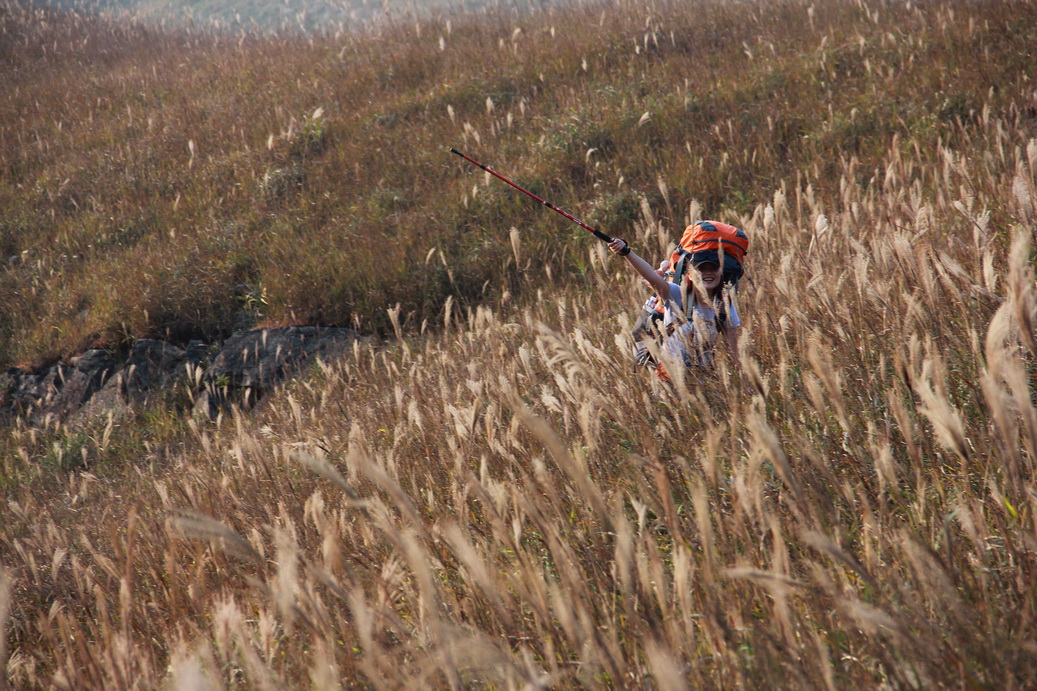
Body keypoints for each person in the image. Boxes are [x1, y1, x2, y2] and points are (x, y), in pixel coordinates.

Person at [608, 237, 741, 379]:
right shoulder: (676, 294)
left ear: (721, 273)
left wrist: (744, 383)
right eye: (701, 269)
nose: (707, 273)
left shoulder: (724, 305)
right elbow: (649, 275)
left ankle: (664, 269)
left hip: (702, 380)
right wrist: (627, 252)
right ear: (690, 274)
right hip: (667, 377)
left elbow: (735, 352)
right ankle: (664, 270)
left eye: (713, 268)